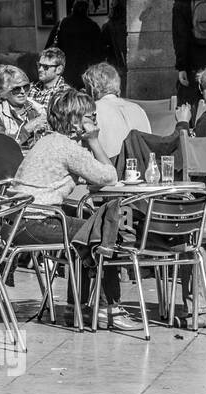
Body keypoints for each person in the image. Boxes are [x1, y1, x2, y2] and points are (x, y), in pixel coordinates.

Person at [11, 90, 129, 328]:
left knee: (87, 225)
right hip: (36, 222)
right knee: (100, 234)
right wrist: (94, 141)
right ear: (76, 121)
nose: (95, 122)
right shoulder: (68, 147)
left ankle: (80, 304)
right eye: (90, 117)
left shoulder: (48, 140)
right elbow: (109, 175)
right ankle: (110, 308)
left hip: (19, 220)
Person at [82, 62, 150, 160]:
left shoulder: (92, 111)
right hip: (142, 169)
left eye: (86, 87)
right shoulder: (138, 109)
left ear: (93, 89)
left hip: (110, 169)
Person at [47, 0, 105, 93]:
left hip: (64, 70)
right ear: (86, 10)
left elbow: (48, 48)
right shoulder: (93, 26)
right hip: (85, 71)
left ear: (72, 9)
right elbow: (100, 53)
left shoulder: (62, 24)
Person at [0, 66, 48, 148]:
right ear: (4, 92)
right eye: (17, 89)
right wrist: (26, 130)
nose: (23, 92)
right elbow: (1, 146)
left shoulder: (37, 109)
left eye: (26, 87)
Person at [31, 48, 73, 112]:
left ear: (59, 69)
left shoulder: (66, 94)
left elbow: (60, 119)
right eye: (39, 65)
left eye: (45, 67)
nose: (40, 69)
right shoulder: (30, 88)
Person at [103, 0, 129, 87]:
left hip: (114, 60)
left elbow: (104, 43)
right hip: (125, 57)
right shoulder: (127, 19)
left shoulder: (110, 23)